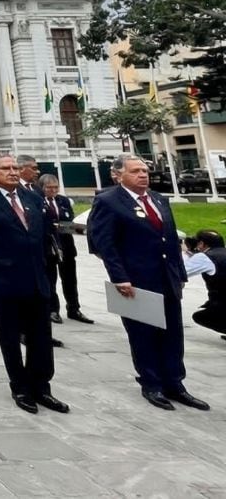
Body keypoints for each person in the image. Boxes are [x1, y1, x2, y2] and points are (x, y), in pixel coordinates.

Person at [87, 154, 210, 412]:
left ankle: (175, 383)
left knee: (173, 333)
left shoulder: (158, 199)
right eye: (136, 171)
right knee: (144, 334)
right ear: (118, 175)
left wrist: (180, 274)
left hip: (166, 278)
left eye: (145, 170)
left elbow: (171, 240)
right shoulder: (108, 201)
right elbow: (105, 244)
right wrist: (119, 277)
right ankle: (151, 384)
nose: (143, 175)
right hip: (136, 281)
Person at [0, 153, 69, 415]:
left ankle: (42, 387)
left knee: (40, 334)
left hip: (36, 276)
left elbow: (43, 234)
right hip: (4, 279)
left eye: (15, 168)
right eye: (6, 168)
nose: (13, 172)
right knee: (10, 334)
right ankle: (20, 386)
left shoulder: (32, 197)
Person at [38, 174, 93, 325]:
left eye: (55, 187)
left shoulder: (63, 201)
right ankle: (53, 309)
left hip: (66, 245)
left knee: (70, 279)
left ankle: (74, 308)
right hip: (49, 246)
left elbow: (69, 220)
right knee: (50, 279)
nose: (53, 190)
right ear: (42, 188)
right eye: (49, 188)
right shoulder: (38, 201)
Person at [188, 230, 225, 335]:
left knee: (201, 317)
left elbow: (180, 272)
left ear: (201, 244)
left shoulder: (206, 257)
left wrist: (185, 253)